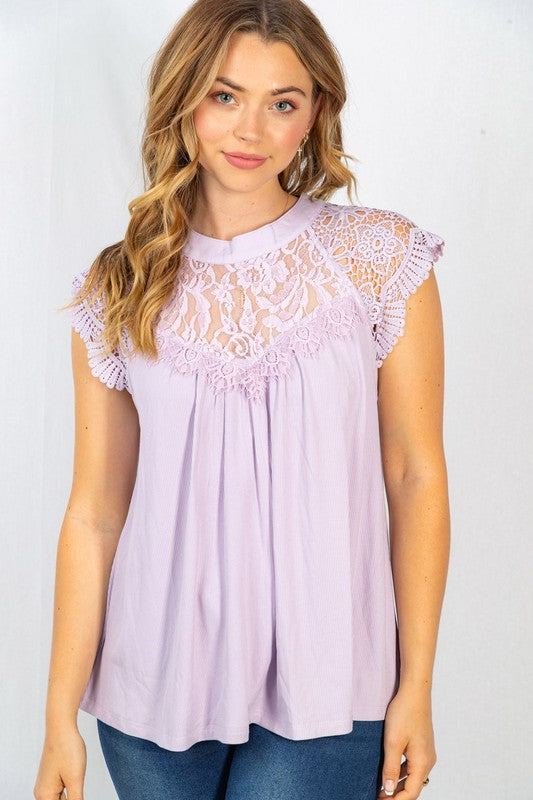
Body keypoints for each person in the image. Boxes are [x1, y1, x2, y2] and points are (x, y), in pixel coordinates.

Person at [34, 1, 450, 798]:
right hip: (151, 681)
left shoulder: (379, 258)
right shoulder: (118, 284)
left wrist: (417, 687)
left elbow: (415, 476)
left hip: (332, 680)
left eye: (281, 102)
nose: (250, 129)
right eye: (224, 96)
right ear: (182, 98)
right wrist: (58, 716)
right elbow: (94, 513)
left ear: (314, 114)